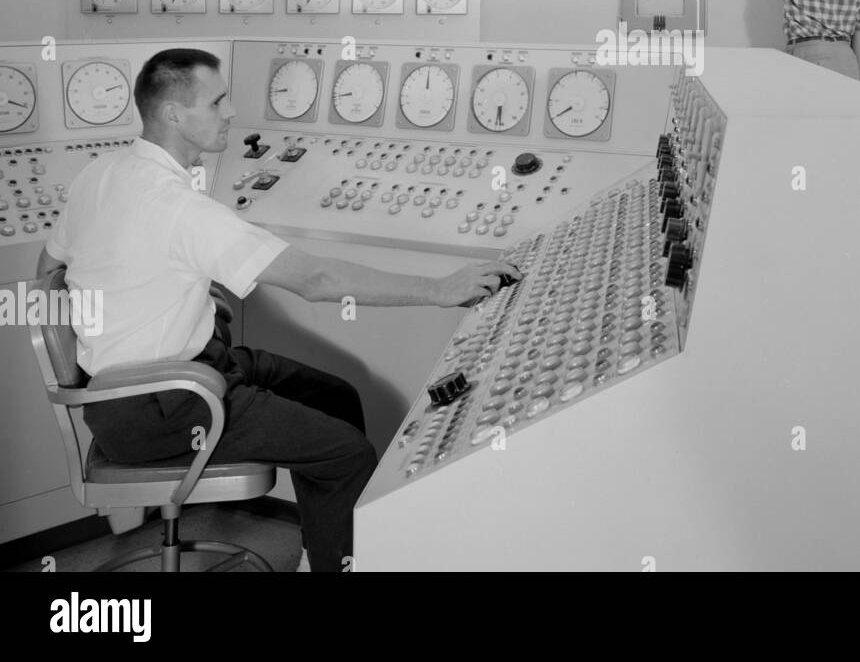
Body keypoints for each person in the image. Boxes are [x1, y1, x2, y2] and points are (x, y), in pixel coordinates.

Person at [35, 47, 520, 572]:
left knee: (338, 398)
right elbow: (316, 280)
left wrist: (142, 307)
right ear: (173, 114)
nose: (231, 112)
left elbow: (49, 268)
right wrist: (439, 289)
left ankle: (325, 552)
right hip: (167, 403)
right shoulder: (178, 208)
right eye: (217, 101)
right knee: (347, 454)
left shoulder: (101, 174)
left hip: (149, 386)